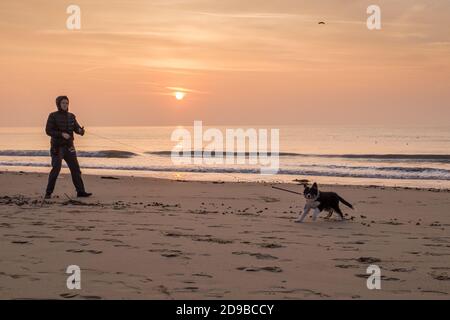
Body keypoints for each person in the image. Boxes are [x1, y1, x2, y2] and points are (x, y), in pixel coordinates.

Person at [44, 96, 92, 199]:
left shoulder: (71, 116)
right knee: (56, 169)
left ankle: (81, 192)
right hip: (57, 147)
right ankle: (48, 193)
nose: (65, 105)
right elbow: (48, 131)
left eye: (67, 103)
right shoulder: (53, 116)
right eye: (63, 103)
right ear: (58, 104)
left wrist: (81, 131)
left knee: (76, 169)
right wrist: (61, 134)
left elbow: (77, 128)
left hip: (69, 147)